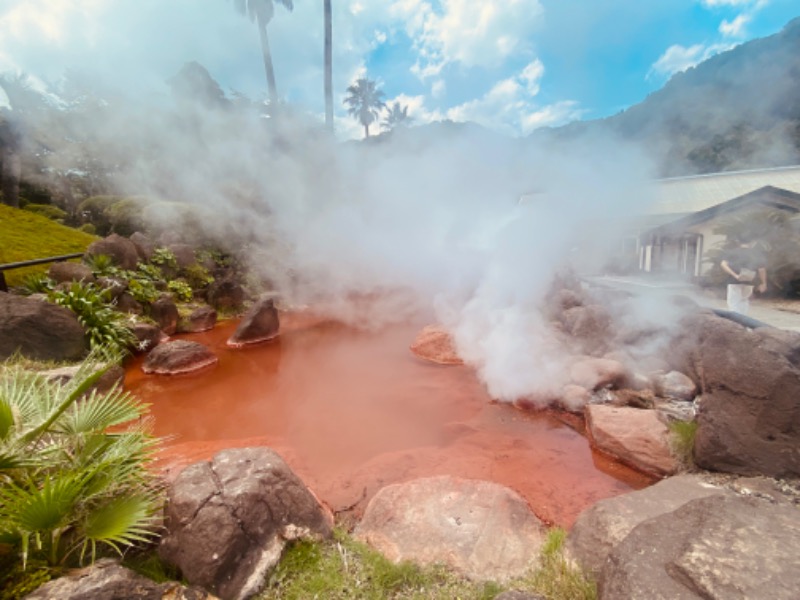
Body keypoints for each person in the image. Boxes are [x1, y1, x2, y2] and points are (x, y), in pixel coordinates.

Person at [720, 237, 767, 315]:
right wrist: (763, 283)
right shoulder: (756, 254)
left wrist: (735, 275)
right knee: (744, 301)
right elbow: (761, 269)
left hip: (733, 281)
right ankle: (743, 322)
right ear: (752, 243)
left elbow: (723, 264)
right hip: (749, 281)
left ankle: (736, 323)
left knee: (734, 303)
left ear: (738, 242)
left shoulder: (732, 252)